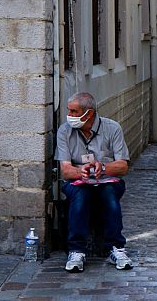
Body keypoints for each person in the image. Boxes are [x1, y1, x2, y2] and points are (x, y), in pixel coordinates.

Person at [55, 92, 133, 273]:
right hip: (78, 182)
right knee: (81, 196)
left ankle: (116, 248)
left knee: (108, 194)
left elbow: (123, 166)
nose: (70, 116)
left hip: (107, 180)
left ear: (88, 114)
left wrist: (103, 168)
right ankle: (76, 250)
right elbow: (66, 170)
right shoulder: (64, 131)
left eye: (74, 112)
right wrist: (81, 171)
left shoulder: (112, 128)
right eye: (69, 111)